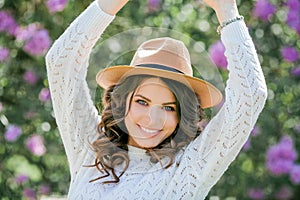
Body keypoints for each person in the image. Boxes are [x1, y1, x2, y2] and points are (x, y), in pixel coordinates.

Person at [45, 0, 267, 199]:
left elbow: (251, 94)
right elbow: (60, 64)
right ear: (123, 101)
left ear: (182, 115)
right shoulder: (90, 149)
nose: (153, 119)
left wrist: (226, 10)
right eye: (142, 102)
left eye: (169, 108)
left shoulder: (190, 167)